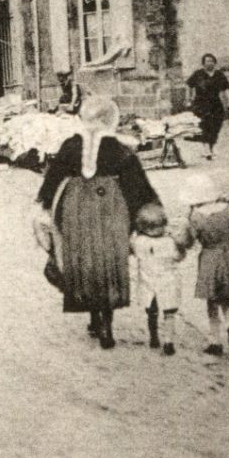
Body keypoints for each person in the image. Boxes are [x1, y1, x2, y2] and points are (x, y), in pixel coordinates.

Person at [33, 95, 158, 349]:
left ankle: (94, 317)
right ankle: (107, 325)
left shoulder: (71, 145)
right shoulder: (120, 148)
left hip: (76, 209)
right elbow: (137, 185)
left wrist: (44, 204)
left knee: (85, 260)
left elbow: (53, 179)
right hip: (111, 208)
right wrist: (146, 211)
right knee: (108, 261)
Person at [184, 172, 229, 358]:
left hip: (210, 259)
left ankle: (215, 341)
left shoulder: (196, 217)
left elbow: (188, 242)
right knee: (227, 298)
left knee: (212, 301)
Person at [130, 201, 185, 355]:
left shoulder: (139, 242)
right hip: (168, 281)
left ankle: (154, 336)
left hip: (148, 281)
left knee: (151, 310)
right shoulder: (169, 242)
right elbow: (179, 257)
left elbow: (134, 251)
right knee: (169, 312)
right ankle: (168, 341)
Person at [186, 54, 229, 160]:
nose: (210, 63)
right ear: (203, 63)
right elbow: (189, 85)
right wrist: (188, 99)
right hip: (201, 104)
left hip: (215, 104)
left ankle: (211, 148)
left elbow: (226, 88)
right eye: (207, 61)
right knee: (204, 126)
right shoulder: (198, 74)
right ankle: (207, 150)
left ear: (214, 62)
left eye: (212, 61)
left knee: (216, 126)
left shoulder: (219, 74)